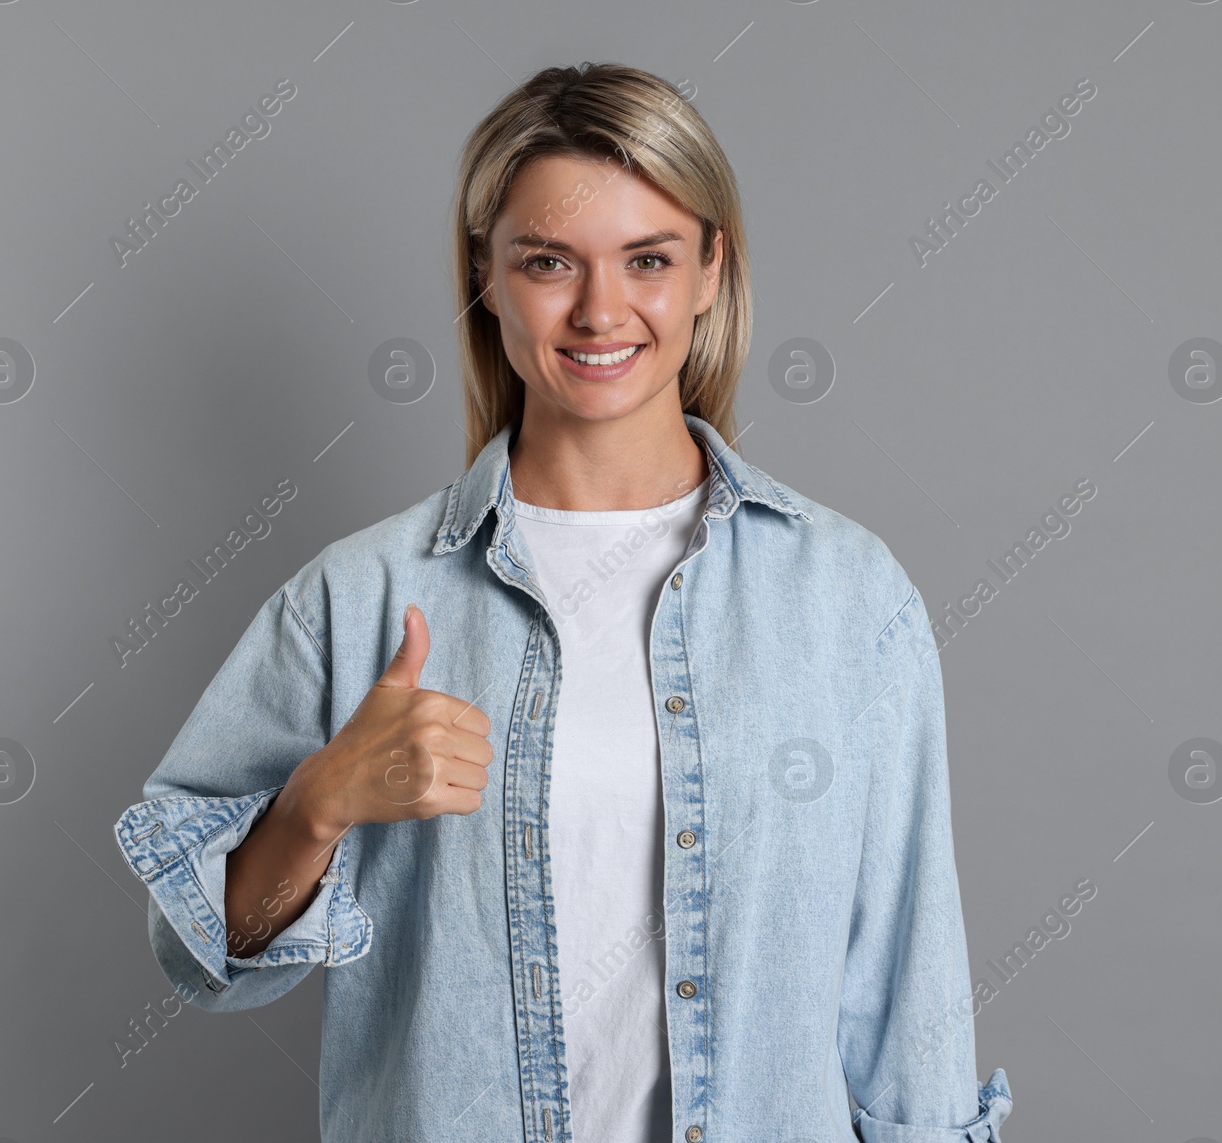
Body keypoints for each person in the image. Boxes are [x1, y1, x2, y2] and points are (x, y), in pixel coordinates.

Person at [114, 61, 1012, 1143]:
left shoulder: (843, 598)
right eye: (548, 261)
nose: (600, 310)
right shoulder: (359, 602)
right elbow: (204, 961)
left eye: (648, 259)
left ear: (710, 272)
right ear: (486, 276)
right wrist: (315, 807)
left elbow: (906, 986)